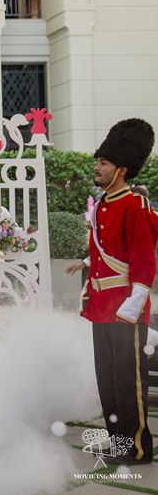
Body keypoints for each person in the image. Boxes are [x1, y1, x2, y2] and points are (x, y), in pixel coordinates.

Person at [65, 119, 158, 465]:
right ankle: (119, 443)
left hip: (125, 308)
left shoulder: (135, 205)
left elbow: (144, 262)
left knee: (130, 382)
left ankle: (137, 447)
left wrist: (133, 306)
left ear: (121, 169)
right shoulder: (104, 204)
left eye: (103, 163)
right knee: (108, 381)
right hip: (102, 305)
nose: (97, 167)